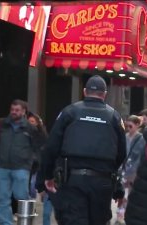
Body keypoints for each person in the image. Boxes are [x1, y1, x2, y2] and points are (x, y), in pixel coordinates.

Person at [43, 75, 127, 225]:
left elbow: (51, 147)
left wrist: (48, 175)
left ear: (84, 91)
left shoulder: (69, 112)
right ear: (105, 94)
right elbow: (122, 153)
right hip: (102, 182)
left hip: (73, 180)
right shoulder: (114, 116)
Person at [0, 99, 42, 225]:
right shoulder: (2, 124)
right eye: (12, 109)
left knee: (22, 197)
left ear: (24, 112)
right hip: (3, 167)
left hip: (21, 168)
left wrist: (32, 165)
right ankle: (5, 223)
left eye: (17, 110)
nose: (14, 112)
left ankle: (26, 222)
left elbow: (38, 148)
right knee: (1, 199)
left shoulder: (30, 128)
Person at [115, 115, 145, 225]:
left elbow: (140, 158)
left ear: (137, 125)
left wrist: (134, 173)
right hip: (123, 170)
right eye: (127, 126)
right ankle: (120, 216)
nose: (128, 128)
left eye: (130, 126)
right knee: (121, 195)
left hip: (133, 172)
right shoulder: (125, 137)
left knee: (129, 195)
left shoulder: (141, 139)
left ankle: (124, 216)